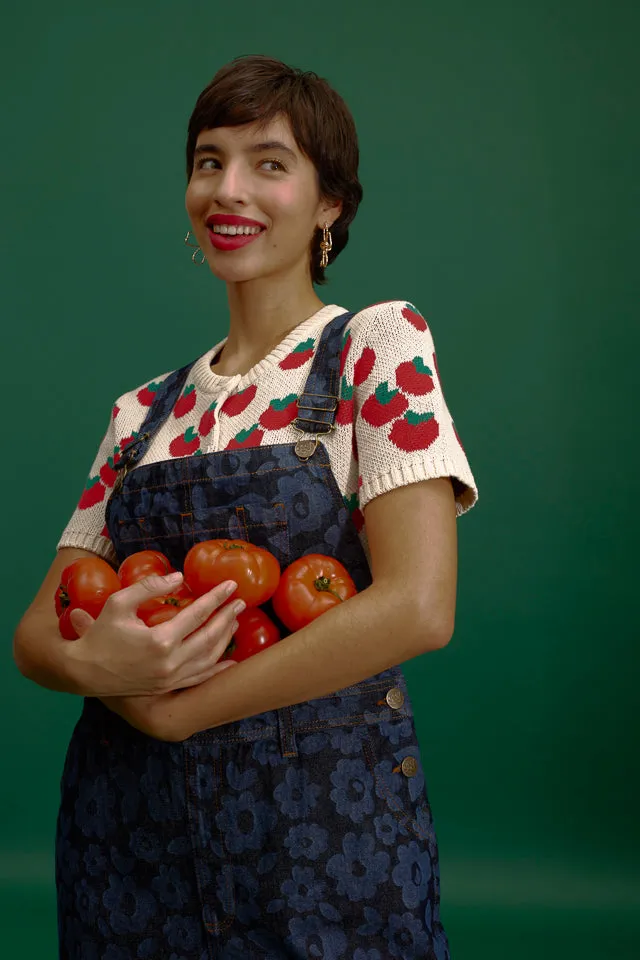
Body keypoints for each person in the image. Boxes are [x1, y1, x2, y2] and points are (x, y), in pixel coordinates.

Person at [14, 54, 478, 960]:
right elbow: (38, 631)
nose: (228, 189)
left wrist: (174, 707)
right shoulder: (141, 415)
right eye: (208, 161)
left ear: (330, 202)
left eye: (269, 162)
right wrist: (95, 663)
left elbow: (420, 606)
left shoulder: (375, 346)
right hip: (128, 839)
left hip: (323, 841)